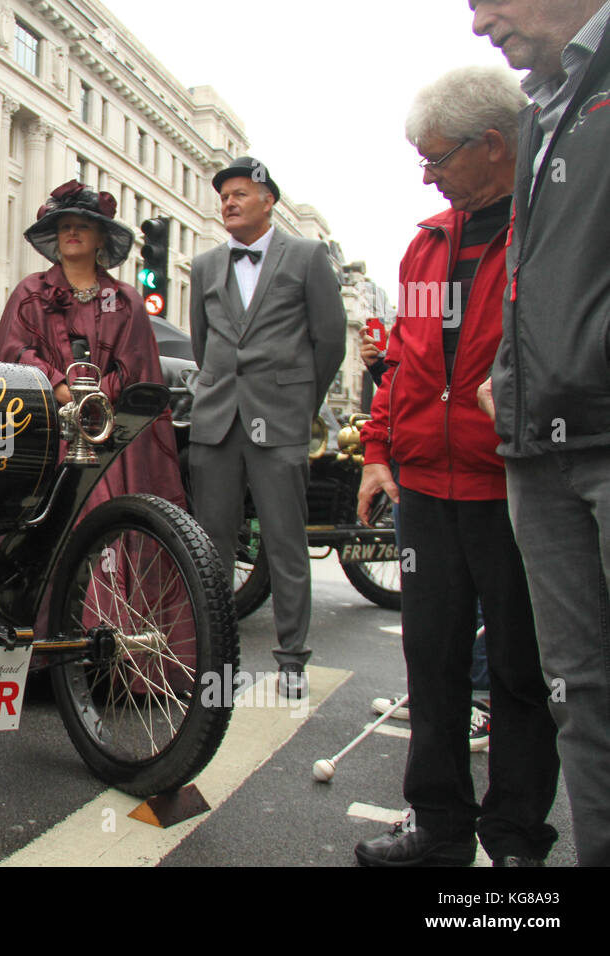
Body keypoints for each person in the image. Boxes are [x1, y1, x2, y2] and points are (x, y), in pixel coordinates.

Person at [353, 66, 559, 867]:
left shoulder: (546, 232)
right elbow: (404, 362)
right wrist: (376, 453)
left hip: (511, 487)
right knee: (432, 666)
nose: (428, 173)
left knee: (518, 675)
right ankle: (438, 830)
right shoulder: (425, 246)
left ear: (494, 146)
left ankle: (513, 844)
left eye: (437, 158)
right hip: (426, 496)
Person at [471, 0, 610, 867]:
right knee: (582, 695)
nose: (481, 23)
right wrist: (509, 378)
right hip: (539, 442)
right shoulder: (540, 108)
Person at [187, 157, 346, 698]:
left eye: (239, 193)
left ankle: (292, 662)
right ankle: (215, 662)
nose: (228, 202)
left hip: (279, 422)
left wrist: (300, 404)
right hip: (216, 422)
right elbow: (202, 343)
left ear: (268, 199)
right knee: (211, 547)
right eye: (223, 195)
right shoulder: (206, 265)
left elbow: (330, 341)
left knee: (284, 542)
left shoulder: (306, 256)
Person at [0, 179, 186, 512]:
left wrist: (94, 402)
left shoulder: (126, 302)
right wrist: (60, 388)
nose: (72, 232)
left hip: (109, 437)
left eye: (82, 226)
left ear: (100, 237)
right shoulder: (29, 293)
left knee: (101, 506)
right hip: (40, 429)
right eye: (65, 226)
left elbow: (135, 365)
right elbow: (13, 352)